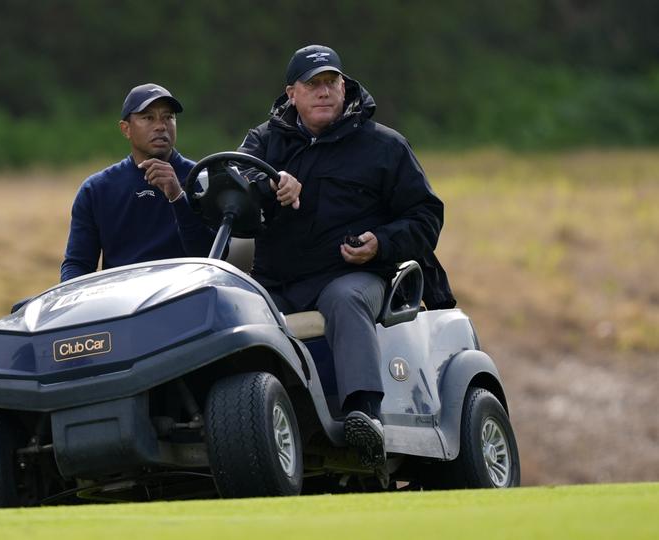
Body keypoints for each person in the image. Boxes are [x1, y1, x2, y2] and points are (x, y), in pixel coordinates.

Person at [238, 45, 456, 465]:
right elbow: (229, 179)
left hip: (355, 274)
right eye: (312, 84)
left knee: (344, 299)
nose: (323, 92)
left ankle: (363, 414)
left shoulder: (385, 146)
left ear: (343, 87)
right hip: (278, 281)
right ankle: (247, 421)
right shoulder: (263, 140)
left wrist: (381, 241)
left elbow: (426, 214)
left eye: (330, 83)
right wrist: (270, 184)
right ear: (291, 94)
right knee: (235, 312)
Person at [61, 83, 214, 282]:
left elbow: (213, 259)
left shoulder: (203, 179)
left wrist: (178, 197)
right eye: (148, 118)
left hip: (187, 297)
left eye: (168, 117)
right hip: (121, 302)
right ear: (126, 129)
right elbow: (78, 264)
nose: (161, 126)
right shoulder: (97, 189)